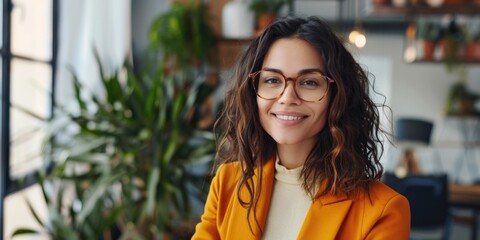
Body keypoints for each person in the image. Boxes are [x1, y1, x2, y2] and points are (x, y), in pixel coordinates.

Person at [192, 16, 410, 240]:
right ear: (252, 92)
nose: (287, 97)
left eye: (309, 82)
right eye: (272, 80)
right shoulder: (227, 183)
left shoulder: (384, 211)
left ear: (337, 97)